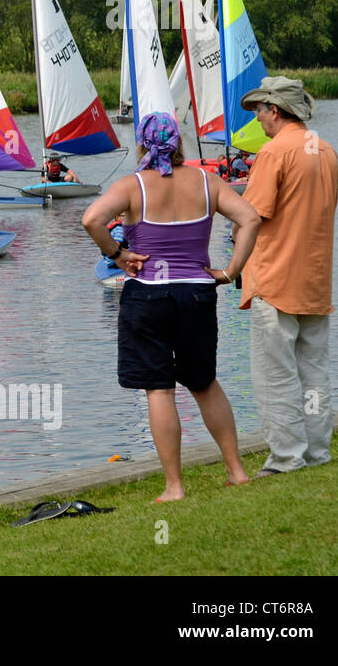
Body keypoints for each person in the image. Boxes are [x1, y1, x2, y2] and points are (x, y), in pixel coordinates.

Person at [82, 112, 259, 501]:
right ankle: (237, 471)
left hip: (147, 294)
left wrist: (118, 253)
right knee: (205, 382)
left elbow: (92, 218)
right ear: (179, 143)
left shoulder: (133, 186)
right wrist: (230, 272)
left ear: (144, 144)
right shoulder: (208, 181)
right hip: (197, 293)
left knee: (159, 389)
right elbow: (249, 218)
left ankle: (175, 487)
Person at [237, 77, 338, 477]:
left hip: (275, 278)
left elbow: (251, 216)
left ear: (274, 111)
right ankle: (316, 452)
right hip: (315, 279)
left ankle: (285, 458)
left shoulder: (274, 152)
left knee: (274, 374)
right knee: (314, 372)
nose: (258, 118)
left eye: (259, 110)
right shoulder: (326, 151)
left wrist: (231, 253)